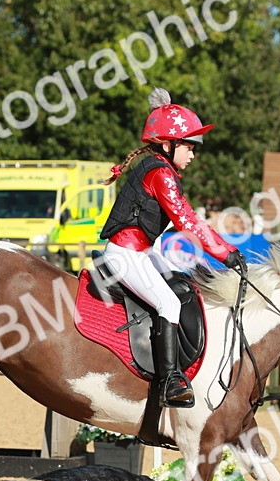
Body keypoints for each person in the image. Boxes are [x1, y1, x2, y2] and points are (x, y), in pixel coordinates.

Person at [98, 88, 245, 409]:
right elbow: (188, 223)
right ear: (168, 144)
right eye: (189, 146)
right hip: (124, 255)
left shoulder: (159, 168)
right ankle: (170, 382)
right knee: (167, 303)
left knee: (180, 285)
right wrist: (227, 254)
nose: (193, 154)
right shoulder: (160, 174)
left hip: (139, 251)